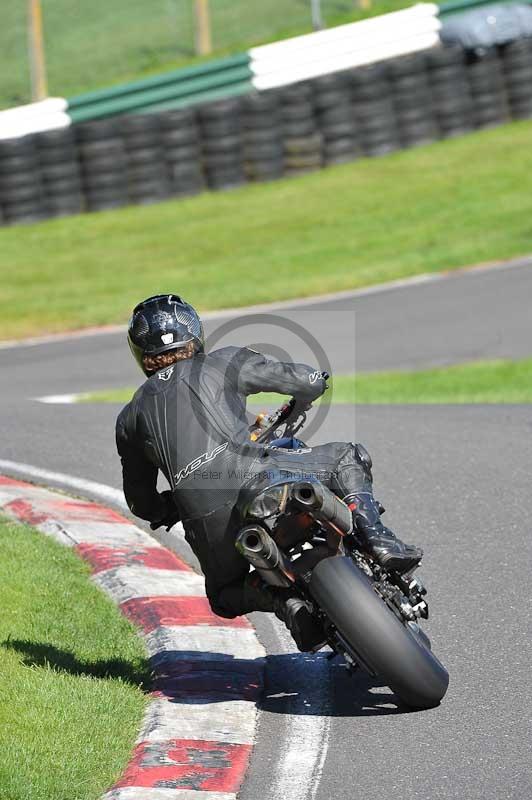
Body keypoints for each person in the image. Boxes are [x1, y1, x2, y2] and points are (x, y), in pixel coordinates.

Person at [116, 294, 422, 651]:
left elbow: (142, 503)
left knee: (225, 595)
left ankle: (286, 604)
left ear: (141, 354)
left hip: (206, 519)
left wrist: (178, 504)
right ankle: (377, 538)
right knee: (344, 458)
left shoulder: (129, 417)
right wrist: (315, 382)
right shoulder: (222, 361)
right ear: (195, 334)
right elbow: (306, 381)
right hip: (256, 471)